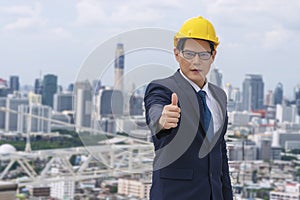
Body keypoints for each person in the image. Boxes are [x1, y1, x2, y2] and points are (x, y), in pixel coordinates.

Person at [144, 16, 233, 200]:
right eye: (189, 54)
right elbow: (155, 111)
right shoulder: (163, 88)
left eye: (203, 54)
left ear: (213, 55)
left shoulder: (219, 96)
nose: (196, 62)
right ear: (177, 54)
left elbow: (220, 154)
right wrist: (162, 120)